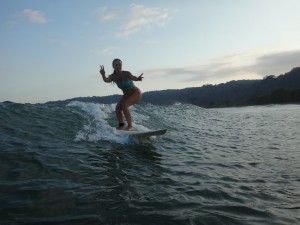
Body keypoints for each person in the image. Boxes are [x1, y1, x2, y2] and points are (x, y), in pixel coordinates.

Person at [99, 59, 144, 130]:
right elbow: (106, 80)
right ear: (113, 66)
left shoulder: (126, 73)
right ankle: (121, 125)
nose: (118, 66)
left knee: (124, 105)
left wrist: (138, 78)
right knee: (118, 108)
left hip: (136, 93)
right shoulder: (113, 77)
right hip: (126, 96)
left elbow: (133, 77)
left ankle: (130, 126)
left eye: (119, 65)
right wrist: (103, 74)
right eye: (116, 65)